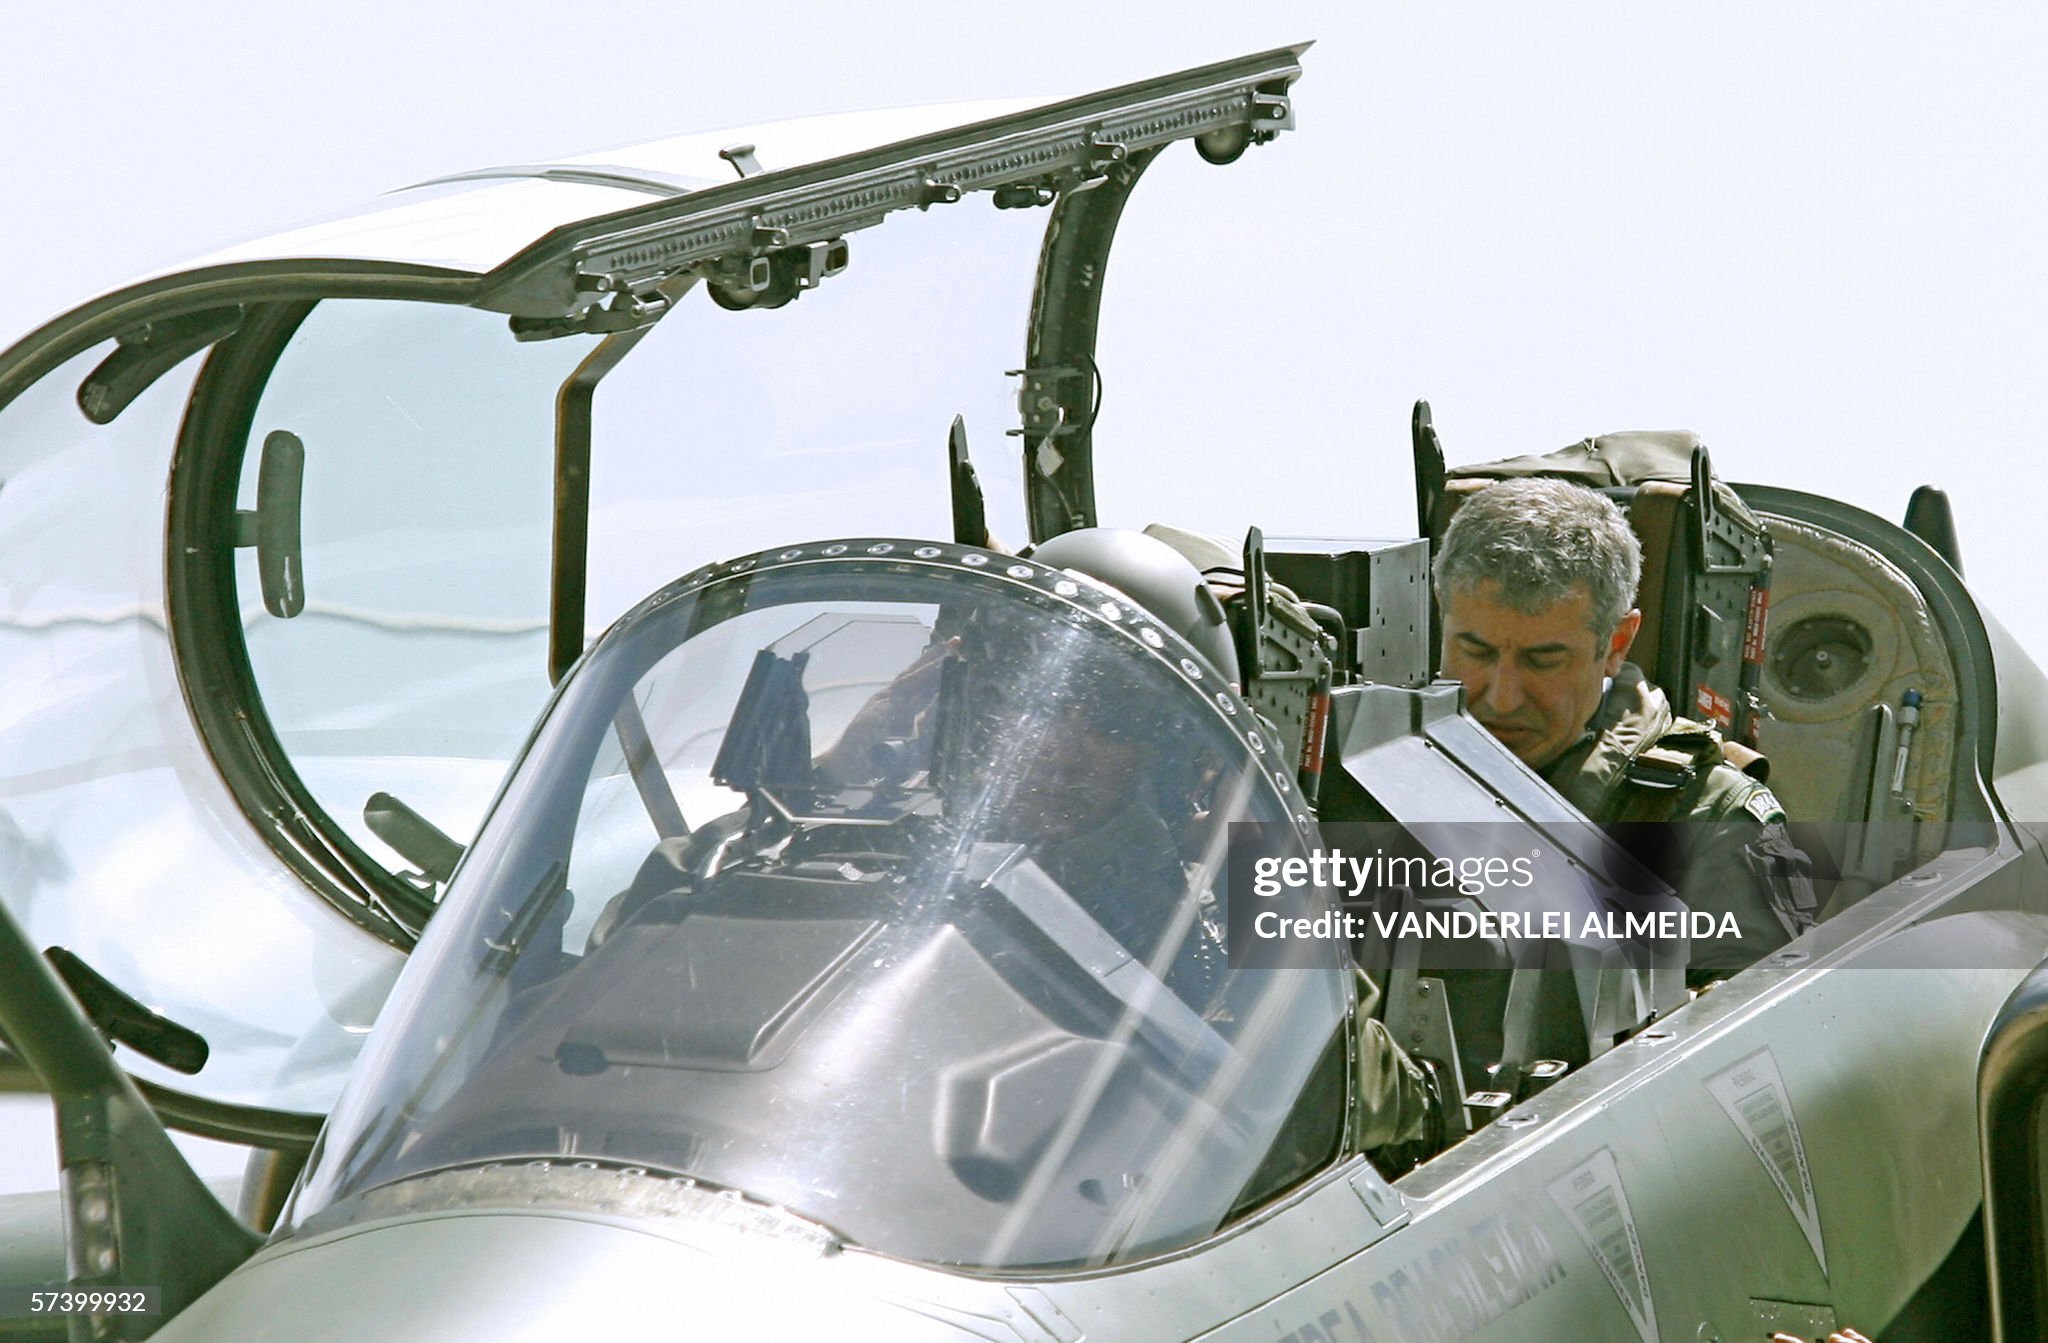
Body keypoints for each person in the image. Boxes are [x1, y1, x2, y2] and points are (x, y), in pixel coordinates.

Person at [1433, 477, 1817, 974]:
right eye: (1475, 651)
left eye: (1544, 660)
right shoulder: (1366, 772)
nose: (1502, 698)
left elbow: (1752, 1014)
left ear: (1616, 644)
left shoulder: (1711, 821)